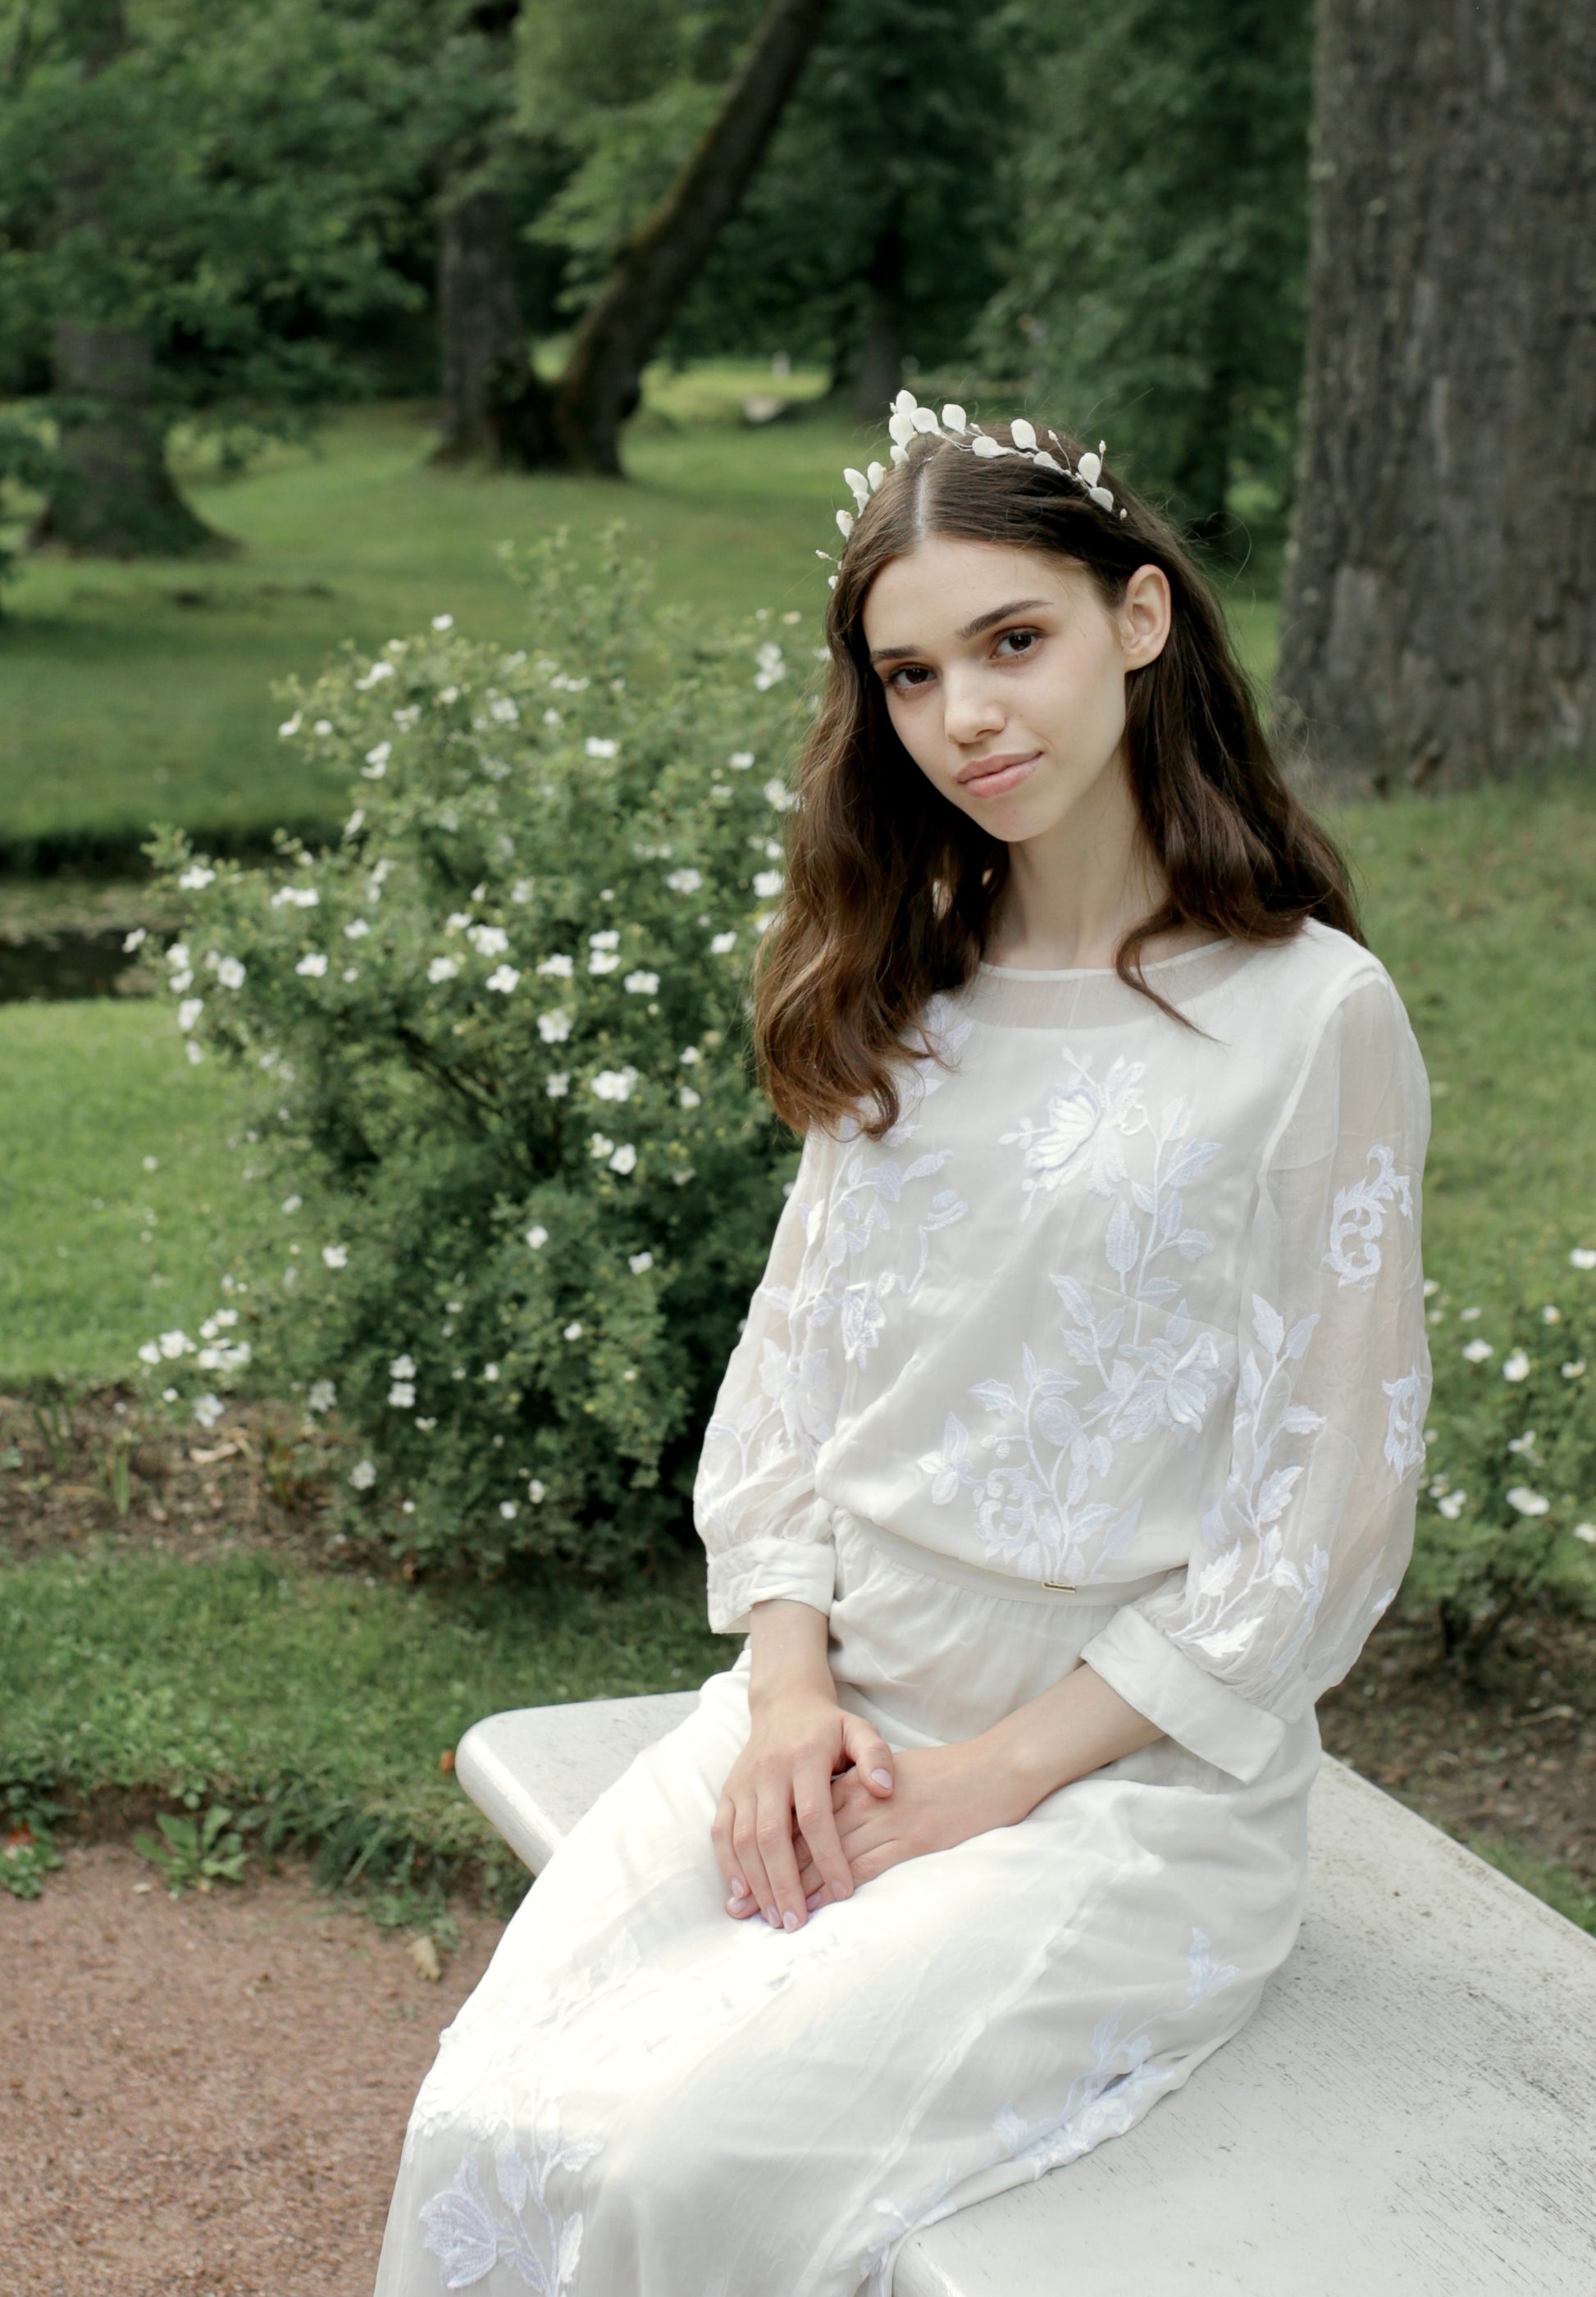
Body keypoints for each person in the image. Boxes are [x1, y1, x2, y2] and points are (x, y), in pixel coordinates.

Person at [373, 399, 1432, 2297]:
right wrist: (786, 1692)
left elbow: (1320, 1511)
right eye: (912, 672)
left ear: (1137, 616)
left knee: (677, 2173)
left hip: (1121, 1786)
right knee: (500, 2114)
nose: (966, 716)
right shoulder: (907, 977)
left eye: (1010, 641)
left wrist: (990, 1780)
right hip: (841, 1697)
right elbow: (795, 1376)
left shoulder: (1305, 1018)